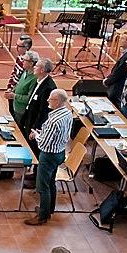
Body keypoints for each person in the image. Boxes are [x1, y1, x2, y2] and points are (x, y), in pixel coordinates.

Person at [26, 89, 72, 226]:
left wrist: (36, 135)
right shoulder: (68, 114)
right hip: (60, 152)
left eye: (50, 99)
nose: (48, 101)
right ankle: (49, 210)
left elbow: (44, 143)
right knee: (51, 182)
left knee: (42, 187)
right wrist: (43, 133)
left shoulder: (53, 121)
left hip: (48, 155)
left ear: (57, 102)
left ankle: (42, 216)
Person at [20, 57, 57, 159]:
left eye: (36, 66)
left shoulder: (48, 87)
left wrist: (35, 129)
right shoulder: (38, 80)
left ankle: (35, 172)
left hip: (36, 123)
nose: (34, 67)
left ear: (42, 70)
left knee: (35, 149)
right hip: (29, 117)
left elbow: (44, 111)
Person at [103, 29, 127, 106]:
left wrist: (107, 81)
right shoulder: (126, 53)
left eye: (122, 38)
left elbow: (119, 72)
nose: (120, 40)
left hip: (118, 88)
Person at [4, 34, 33, 114]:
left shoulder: (28, 62)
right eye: (16, 45)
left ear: (26, 47)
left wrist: (13, 92)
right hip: (12, 90)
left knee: (16, 113)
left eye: (19, 46)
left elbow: (22, 80)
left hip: (18, 93)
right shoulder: (19, 57)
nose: (16, 48)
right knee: (11, 111)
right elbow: (14, 72)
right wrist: (9, 87)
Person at [8, 50, 39, 126]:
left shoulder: (34, 78)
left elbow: (29, 98)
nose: (22, 62)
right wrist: (12, 91)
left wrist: (14, 96)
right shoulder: (25, 71)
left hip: (22, 111)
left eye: (25, 60)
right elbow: (19, 84)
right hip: (15, 106)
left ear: (31, 63)